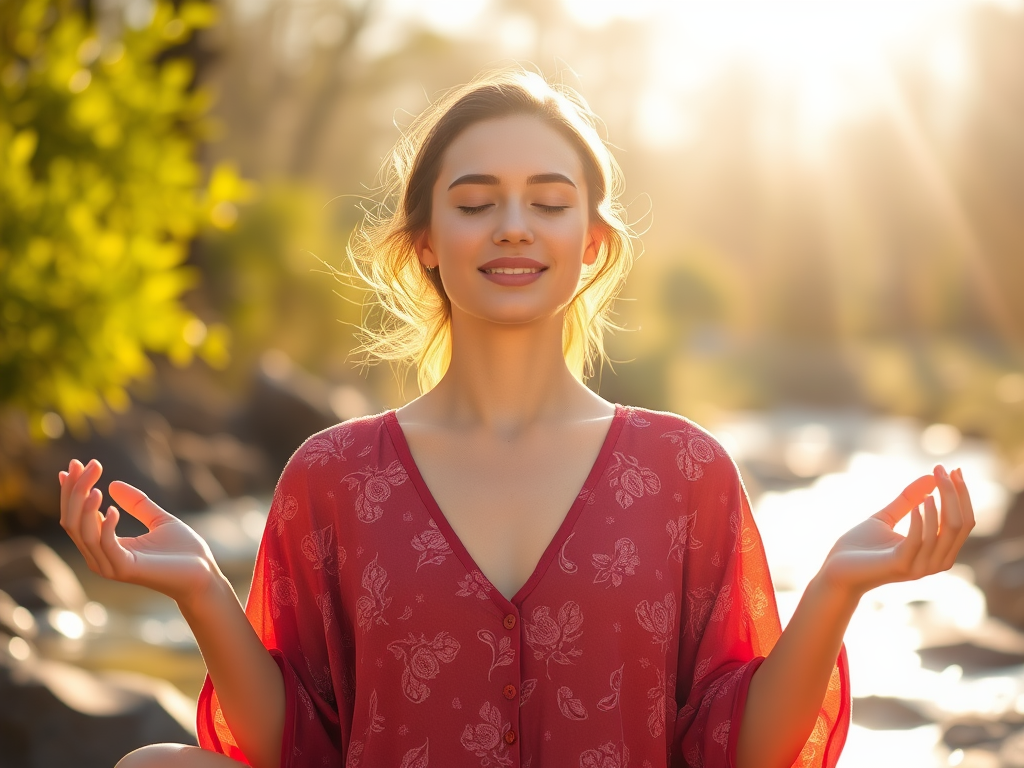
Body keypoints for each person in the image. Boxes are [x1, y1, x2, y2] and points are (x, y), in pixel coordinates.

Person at [58, 68, 975, 768]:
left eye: (548, 202)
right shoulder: (334, 477)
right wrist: (200, 593)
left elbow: (735, 748)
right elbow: (301, 740)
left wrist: (836, 591)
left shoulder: (681, 471)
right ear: (424, 241)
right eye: (474, 202)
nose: (512, 227)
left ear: (592, 244)